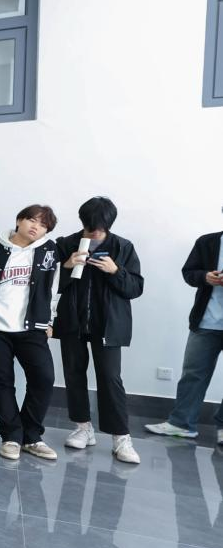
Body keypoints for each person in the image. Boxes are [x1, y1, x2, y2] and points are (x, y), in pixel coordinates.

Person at [0, 205, 62, 461]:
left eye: (43, 225)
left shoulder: (50, 251)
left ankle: (32, 437)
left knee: (43, 379)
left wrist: (49, 320)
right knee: (2, 383)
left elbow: (53, 290)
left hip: (31, 328)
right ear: (19, 220)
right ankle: (11, 436)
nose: (36, 227)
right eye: (32, 220)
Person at [55, 196, 144, 464]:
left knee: (110, 377)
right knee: (73, 373)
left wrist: (115, 271)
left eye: (101, 228)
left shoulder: (123, 247)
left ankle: (121, 438)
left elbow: (136, 288)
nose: (95, 232)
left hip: (108, 324)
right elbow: (47, 283)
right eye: (91, 226)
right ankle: (83, 427)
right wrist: (66, 266)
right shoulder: (65, 244)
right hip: (73, 321)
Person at [145, 216, 223, 446]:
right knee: (193, 374)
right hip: (205, 321)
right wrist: (205, 277)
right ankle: (182, 423)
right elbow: (189, 272)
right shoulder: (207, 242)